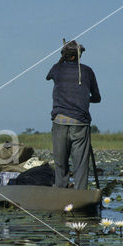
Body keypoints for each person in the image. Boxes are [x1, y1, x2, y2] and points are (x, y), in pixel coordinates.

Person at [46, 40, 101, 189]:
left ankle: (61, 188)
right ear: (77, 56)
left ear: (66, 56)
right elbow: (97, 98)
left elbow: (48, 76)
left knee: (60, 161)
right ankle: (80, 192)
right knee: (81, 164)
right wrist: (83, 98)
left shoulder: (57, 69)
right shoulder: (88, 71)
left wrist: (62, 57)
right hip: (80, 123)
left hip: (60, 122)